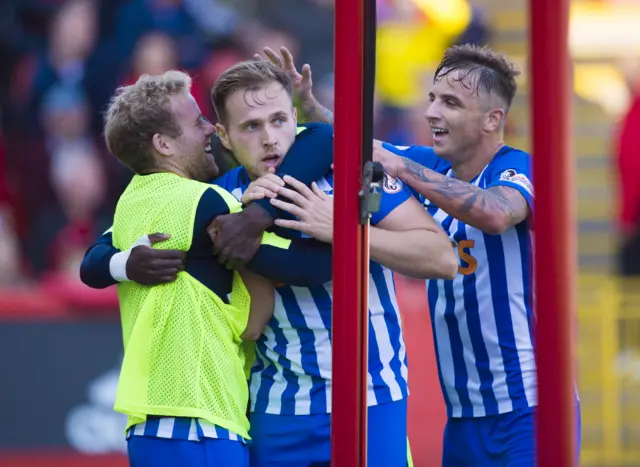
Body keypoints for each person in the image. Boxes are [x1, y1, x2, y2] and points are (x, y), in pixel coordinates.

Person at [81, 60, 458, 467]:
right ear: (223, 135)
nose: (269, 139)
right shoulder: (219, 195)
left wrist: (342, 231)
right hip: (274, 406)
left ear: (295, 119)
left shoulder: (351, 174)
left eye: (278, 120)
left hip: (370, 395)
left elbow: (441, 257)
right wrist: (122, 262)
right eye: (250, 126)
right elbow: (104, 248)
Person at [261, 44, 581, 466]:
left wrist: (398, 167)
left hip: (531, 408)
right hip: (464, 415)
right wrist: (310, 106)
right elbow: (364, 147)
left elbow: (497, 213)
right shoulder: (433, 167)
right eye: (432, 98)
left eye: (450, 102)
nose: (432, 112)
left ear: (492, 119)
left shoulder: (518, 168)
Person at [98, 69, 337, 467]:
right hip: (200, 416)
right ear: (163, 144)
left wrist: (120, 263)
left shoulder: (129, 205)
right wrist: (352, 237)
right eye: (196, 122)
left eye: (279, 120)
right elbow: (304, 272)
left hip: (145, 421)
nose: (207, 127)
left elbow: (92, 265)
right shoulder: (210, 201)